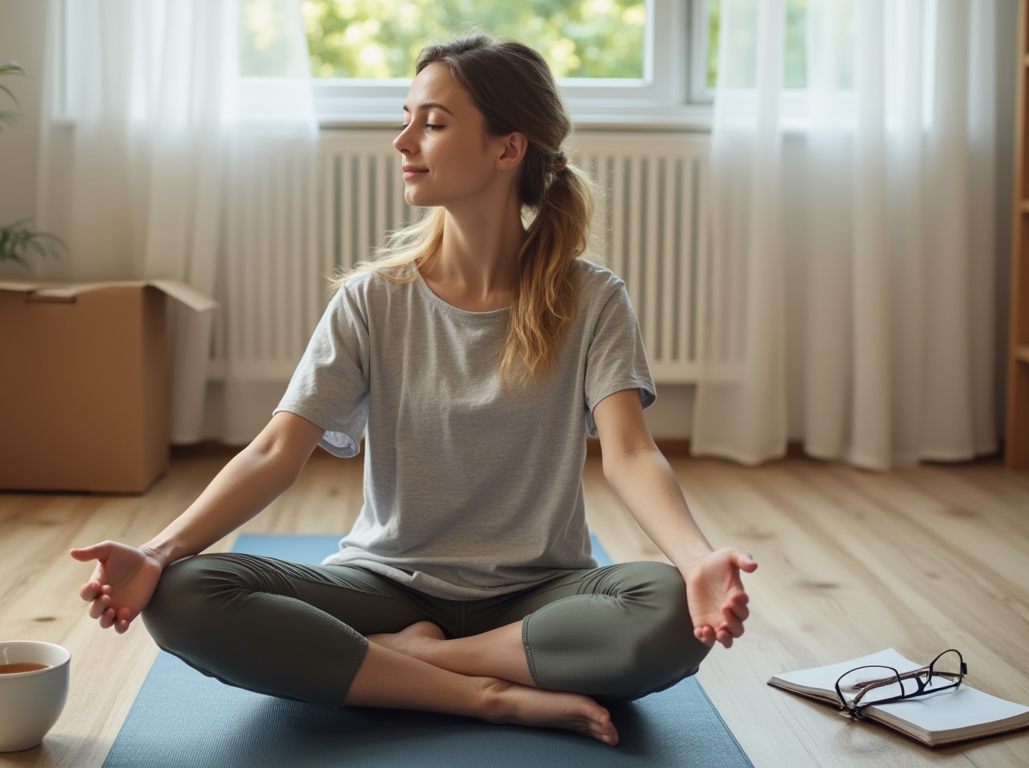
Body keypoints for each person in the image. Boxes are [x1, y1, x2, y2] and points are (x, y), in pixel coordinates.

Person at [70, 35, 756, 747]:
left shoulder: (593, 299)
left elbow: (631, 455)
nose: (402, 140)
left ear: (507, 148)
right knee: (182, 597)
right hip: (385, 589)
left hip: (538, 596)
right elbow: (277, 449)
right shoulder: (373, 299)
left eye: (432, 122)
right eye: (407, 117)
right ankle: (486, 695)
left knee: (673, 612)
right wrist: (157, 552)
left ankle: (418, 664)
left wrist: (696, 558)